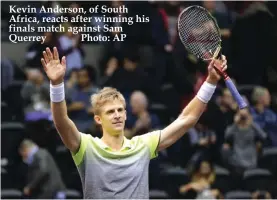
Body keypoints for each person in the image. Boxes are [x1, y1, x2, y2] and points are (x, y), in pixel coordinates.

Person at [41, 47, 227, 199]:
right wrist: (57, 84)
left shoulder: (142, 145)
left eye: (120, 110)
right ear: (98, 119)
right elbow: (61, 121)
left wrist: (210, 81)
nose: (117, 115)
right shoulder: (86, 147)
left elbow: (187, 119)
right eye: (110, 111)